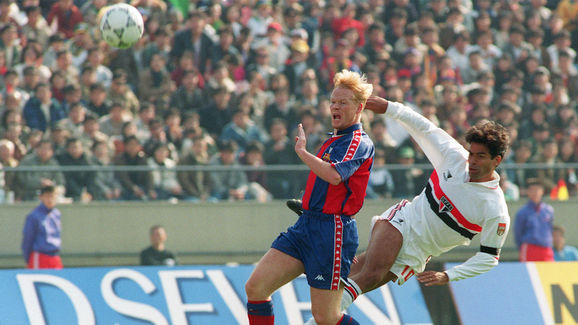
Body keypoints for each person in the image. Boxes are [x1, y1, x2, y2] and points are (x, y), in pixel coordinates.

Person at [299, 95, 511, 325]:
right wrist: (390, 108)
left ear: (497, 160)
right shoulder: (454, 157)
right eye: (472, 153)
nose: (473, 161)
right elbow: (424, 127)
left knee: (351, 273)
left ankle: (316, 250)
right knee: (371, 275)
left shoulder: (495, 209)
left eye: (481, 156)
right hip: (403, 221)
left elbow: (489, 258)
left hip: (417, 254)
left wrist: (449, 275)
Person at [245, 70, 374, 325]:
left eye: (343, 102)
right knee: (256, 288)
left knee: (325, 317)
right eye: (333, 102)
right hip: (306, 225)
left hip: (332, 231)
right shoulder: (333, 140)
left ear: (359, 108)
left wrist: (302, 153)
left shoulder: (357, 141)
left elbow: (336, 176)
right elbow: (328, 185)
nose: (335, 107)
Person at [21, 185, 62, 269]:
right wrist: (27, 259)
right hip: (40, 256)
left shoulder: (56, 214)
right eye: (47, 196)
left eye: (53, 196)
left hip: (55, 256)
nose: (50, 200)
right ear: (41, 197)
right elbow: (28, 239)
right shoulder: (34, 216)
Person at [514, 179, 555, 262]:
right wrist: (522, 247)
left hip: (546, 248)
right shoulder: (523, 212)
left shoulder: (548, 210)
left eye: (537, 190)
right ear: (528, 192)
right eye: (532, 190)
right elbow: (518, 232)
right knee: (529, 273)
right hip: (530, 248)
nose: (535, 193)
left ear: (542, 191)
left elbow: (550, 228)